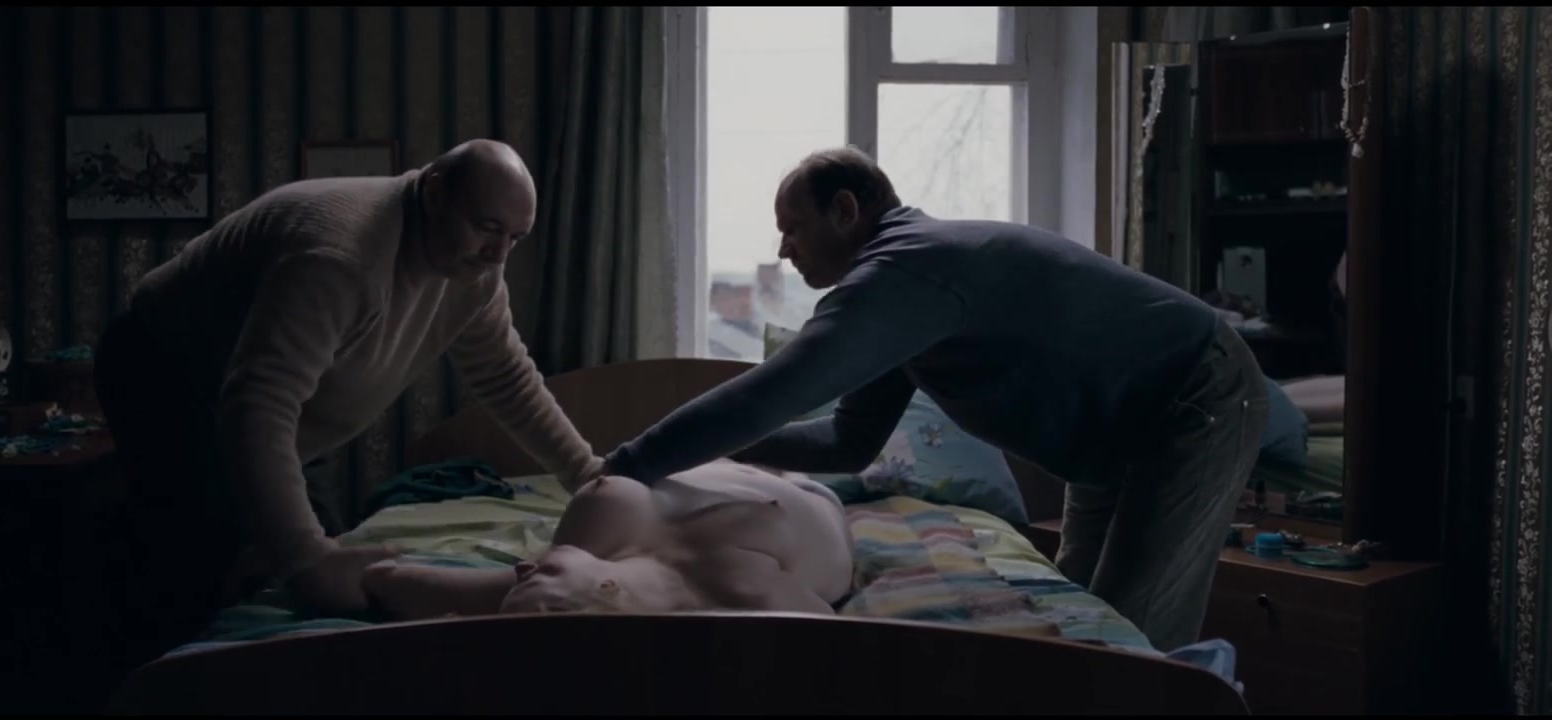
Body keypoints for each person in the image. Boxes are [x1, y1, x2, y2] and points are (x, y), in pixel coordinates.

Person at [599, 147, 1268, 652]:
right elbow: (848, 443)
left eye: (793, 227)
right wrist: (719, 454)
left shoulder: (906, 271)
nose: (783, 248)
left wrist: (630, 462)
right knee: (1079, 622)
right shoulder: (909, 302)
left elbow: (768, 396)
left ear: (845, 211)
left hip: (1190, 394)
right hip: (1113, 433)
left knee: (1132, 642)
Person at [93, 139, 604, 665]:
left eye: (515, 238)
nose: (499, 254)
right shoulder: (342, 256)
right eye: (487, 227)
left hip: (275, 404)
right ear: (434, 194)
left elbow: (506, 379)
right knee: (201, 556)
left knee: (323, 557)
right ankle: (138, 679)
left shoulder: (475, 274)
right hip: (166, 372)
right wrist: (305, 560)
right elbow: (257, 405)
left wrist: (590, 475)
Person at [362, 460, 854, 619]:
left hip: (702, 464)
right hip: (811, 493)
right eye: (540, 574)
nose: (525, 567)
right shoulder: (747, 590)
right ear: (607, 589)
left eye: (531, 575)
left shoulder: (591, 548)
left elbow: (388, 580)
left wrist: (380, 576)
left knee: (609, 503)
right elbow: (844, 645)